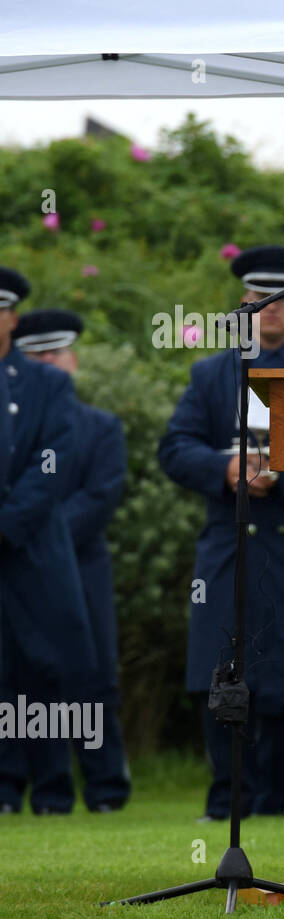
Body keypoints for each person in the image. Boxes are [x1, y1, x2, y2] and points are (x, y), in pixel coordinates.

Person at [158, 246, 284, 824]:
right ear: (245, 299)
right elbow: (175, 448)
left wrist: (283, 476)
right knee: (227, 672)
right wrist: (229, 470)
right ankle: (231, 801)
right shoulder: (212, 373)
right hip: (233, 547)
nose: (273, 309)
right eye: (263, 295)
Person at [13, 310, 131, 812]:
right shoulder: (16, 426)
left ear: (73, 359)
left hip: (79, 567)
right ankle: (48, 791)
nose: (48, 362)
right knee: (30, 678)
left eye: (55, 353)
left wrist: (43, 532)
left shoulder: (101, 428)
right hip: (21, 565)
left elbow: (102, 494)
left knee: (92, 674)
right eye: (36, 355)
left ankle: (106, 788)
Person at [0, 268, 97, 815]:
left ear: (12, 318)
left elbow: (51, 465)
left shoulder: (48, 384)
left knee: (47, 671)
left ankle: (53, 790)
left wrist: (6, 525)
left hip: (34, 548)